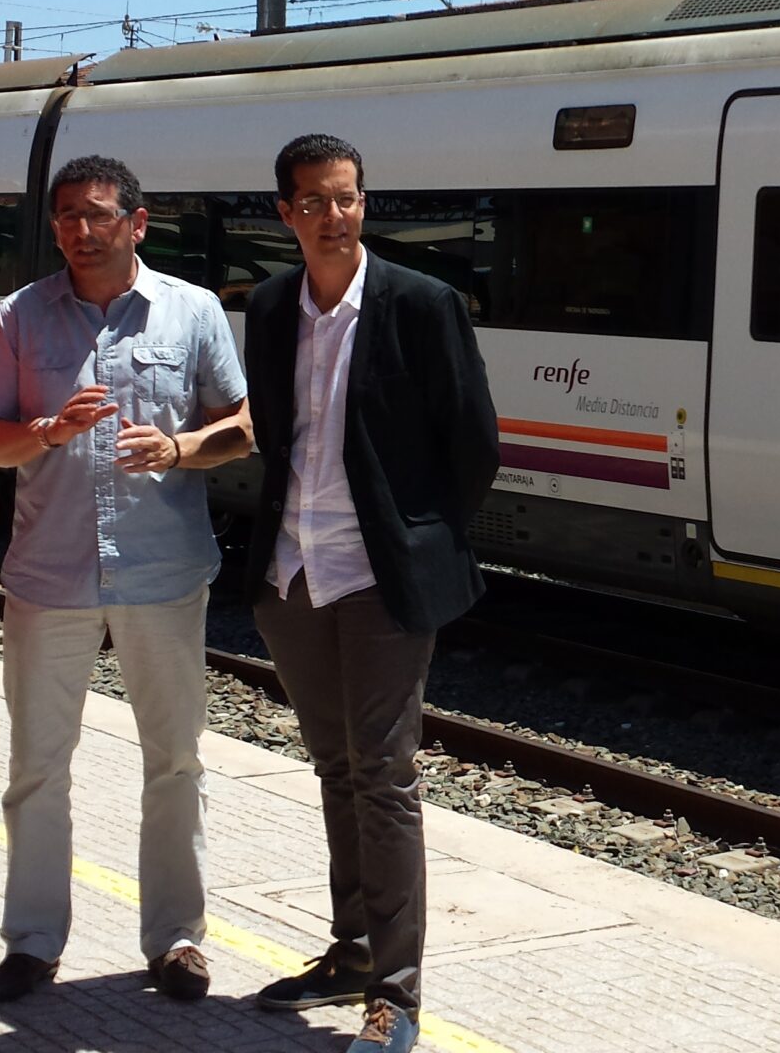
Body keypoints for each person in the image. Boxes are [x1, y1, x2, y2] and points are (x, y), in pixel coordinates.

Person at [0, 155, 250, 1004]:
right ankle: (32, 943)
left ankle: (177, 940)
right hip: (49, 576)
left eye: (97, 215)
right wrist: (46, 432)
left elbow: (240, 426)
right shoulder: (20, 315)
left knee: (177, 760)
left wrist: (180, 448)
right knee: (37, 766)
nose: (80, 232)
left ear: (137, 222)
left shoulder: (192, 310)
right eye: (66, 218)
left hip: (164, 573)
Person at [236, 134, 498, 1053]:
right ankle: (351, 951)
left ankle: (396, 990)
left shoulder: (421, 304)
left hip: (380, 576)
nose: (333, 215)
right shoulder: (272, 305)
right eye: (313, 201)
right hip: (293, 571)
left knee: (383, 775)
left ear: (363, 203)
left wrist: (417, 538)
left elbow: (473, 443)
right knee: (337, 768)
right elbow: (278, 432)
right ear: (286, 213)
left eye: (346, 198)